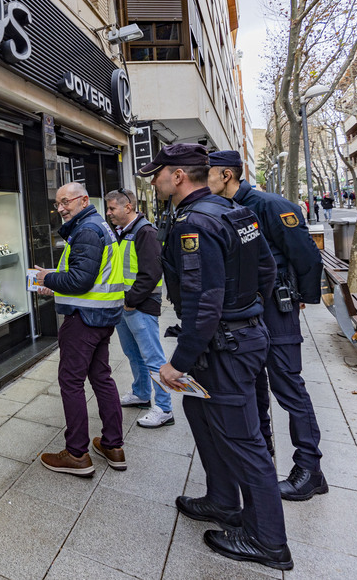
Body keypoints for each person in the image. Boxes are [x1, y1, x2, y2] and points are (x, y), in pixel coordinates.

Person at [139, 143, 292, 570]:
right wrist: (247, 312)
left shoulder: (196, 224)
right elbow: (266, 269)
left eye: (159, 173)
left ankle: (268, 542)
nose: (154, 180)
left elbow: (204, 300)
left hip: (224, 346)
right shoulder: (234, 211)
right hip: (235, 338)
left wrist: (179, 363)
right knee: (203, 417)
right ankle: (223, 502)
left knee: (244, 440)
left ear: (179, 176)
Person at [209, 150, 328, 501]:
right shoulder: (227, 210)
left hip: (277, 308)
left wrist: (302, 297)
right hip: (251, 310)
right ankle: (263, 456)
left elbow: (306, 254)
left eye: (211, 174)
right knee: (255, 384)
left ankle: (310, 469)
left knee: (288, 386)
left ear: (227, 175)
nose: (208, 180)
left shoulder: (269, 204)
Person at [34, 182, 126, 477]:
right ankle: (113, 445)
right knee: (101, 377)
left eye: (66, 202)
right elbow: (86, 278)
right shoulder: (96, 225)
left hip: (83, 320)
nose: (61, 208)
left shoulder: (86, 230)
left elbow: (80, 281)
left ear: (83, 200)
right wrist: (56, 285)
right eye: (58, 203)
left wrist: (47, 278)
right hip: (101, 316)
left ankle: (76, 454)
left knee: (71, 382)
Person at [104, 188, 172, 428]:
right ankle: (142, 393)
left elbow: (152, 273)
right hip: (127, 306)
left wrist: (131, 301)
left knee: (153, 358)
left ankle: (164, 408)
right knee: (133, 354)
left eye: (112, 208)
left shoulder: (145, 232)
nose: (109, 213)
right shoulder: (125, 232)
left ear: (128, 207)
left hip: (140, 306)